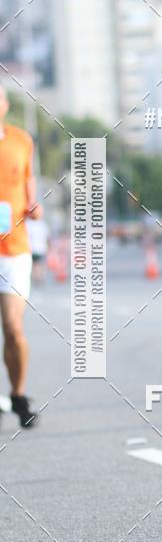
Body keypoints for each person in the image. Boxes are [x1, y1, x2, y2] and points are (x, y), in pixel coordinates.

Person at [0, 85, 42, 429]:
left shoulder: (21, 140)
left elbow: (28, 186)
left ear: (4, 104)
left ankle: (18, 395)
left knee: (13, 328)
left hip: (14, 248)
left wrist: (34, 206)